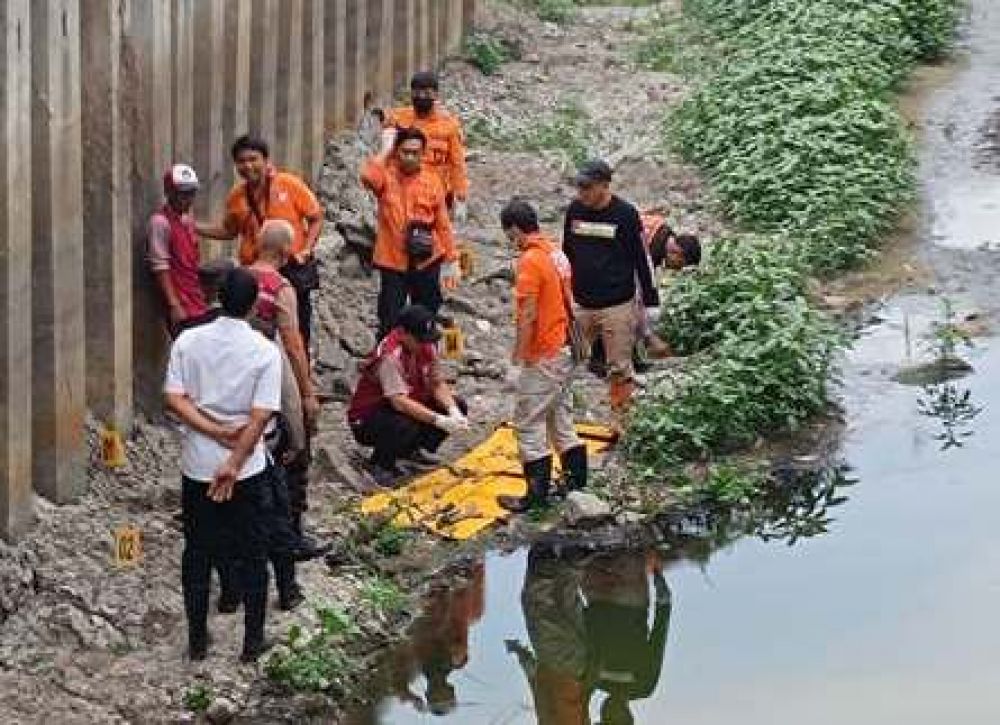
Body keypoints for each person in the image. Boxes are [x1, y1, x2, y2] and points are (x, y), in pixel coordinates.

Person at [164, 267, 280, 663]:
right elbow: (261, 415)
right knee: (253, 552)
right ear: (252, 305)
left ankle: (197, 639)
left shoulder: (188, 342)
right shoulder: (264, 351)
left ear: (217, 297)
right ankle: (252, 641)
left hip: (197, 466)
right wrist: (232, 460)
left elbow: (176, 399)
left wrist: (210, 431)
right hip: (246, 469)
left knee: (197, 551)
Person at [495, 200, 588, 513]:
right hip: (567, 346)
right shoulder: (556, 252)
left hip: (545, 351)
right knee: (559, 416)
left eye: (510, 237)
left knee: (528, 421)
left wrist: (518, 359)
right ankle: (576, 484)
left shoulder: (531, 261)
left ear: (516, 230)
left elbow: (528, 314)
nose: (512, 243)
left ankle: (535, 496)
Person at [197, 135, 324, 348]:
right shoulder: (237, 197)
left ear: (266, 160)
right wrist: (194, 226)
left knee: (297, 330)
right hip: (255, 275)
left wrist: (306, 250)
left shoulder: (288, 184)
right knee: (257, 331)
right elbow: (229, 230)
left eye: (253, 159)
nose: (248, 166)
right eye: (241, 161)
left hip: (290, 270)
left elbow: (316, 217)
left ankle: (300, 374)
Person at [563, 159, 660, 428]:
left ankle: (621, 421)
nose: (581, 193)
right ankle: (561, 418)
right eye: (579, 187)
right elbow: (567, 252)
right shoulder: (574, 210)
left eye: (587, 187)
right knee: (565, 361)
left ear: (605, 186)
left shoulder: (626, 215)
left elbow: (643, 259)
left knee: (619, 368)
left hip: (617, 306)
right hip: (581, 304)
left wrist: (651, 302)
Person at [347, 304, 469, 485]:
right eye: (419, 339)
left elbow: (437, 384)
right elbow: (399, 402)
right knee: (404, 423)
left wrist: (452, 411)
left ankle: (413, 451)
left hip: (406, 402)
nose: (424, 344)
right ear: (403, 333)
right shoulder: (390, 356)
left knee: (458, 404)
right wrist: (438, 420)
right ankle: (381, 464)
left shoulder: (426, 346)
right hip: (369, 417)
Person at [361, 126, 460, 341]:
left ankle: (425, 366)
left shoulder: (433, 181)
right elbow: (367, 177)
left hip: (427, 260)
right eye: (405, 152)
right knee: (389, 318)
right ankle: (386, 363)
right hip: (392, 262)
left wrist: (452, 260)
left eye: (415, 153)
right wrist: (386, 149)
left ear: (423, 154)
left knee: (426, 318)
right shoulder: (386, 177)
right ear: (398, 152)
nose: (410, 157)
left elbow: (442, 223)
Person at [591, 214, 702, 372]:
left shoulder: (661, 232)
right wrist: (650, 337)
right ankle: (603, 358)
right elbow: (638, 296)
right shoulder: (648, 251)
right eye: (681, 265)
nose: (677, 270)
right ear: (677, 252)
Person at [582, 550, 671, 725]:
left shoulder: (593, 681)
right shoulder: (643, 686)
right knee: (626, 547)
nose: (605, 711)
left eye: (603, 719)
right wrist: (663, 598)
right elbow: (658, 637)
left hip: (595, 595)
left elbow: (580, 636)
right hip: (629, 598)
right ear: (628, 718)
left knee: (588, 544)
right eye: (612, 719)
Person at [384, 71, 470, 223]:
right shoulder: (397, 118)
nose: (421, 96)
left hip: (435, 194)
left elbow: (457, 163)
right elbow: (386, 153)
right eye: (417, 92)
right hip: (402, 189)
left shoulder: (449, 125)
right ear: (411, 94)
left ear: (435, 95)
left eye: (426, 92)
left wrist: (461, 196)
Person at [148, 164, 211, 337]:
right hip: (181, 302)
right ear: (169, 192)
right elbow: (160, 266)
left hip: (195, 298)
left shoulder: (187, 221)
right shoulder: (160, 223)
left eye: (191, 193)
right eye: (183, 194)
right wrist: (174, 304)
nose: (188, 199)